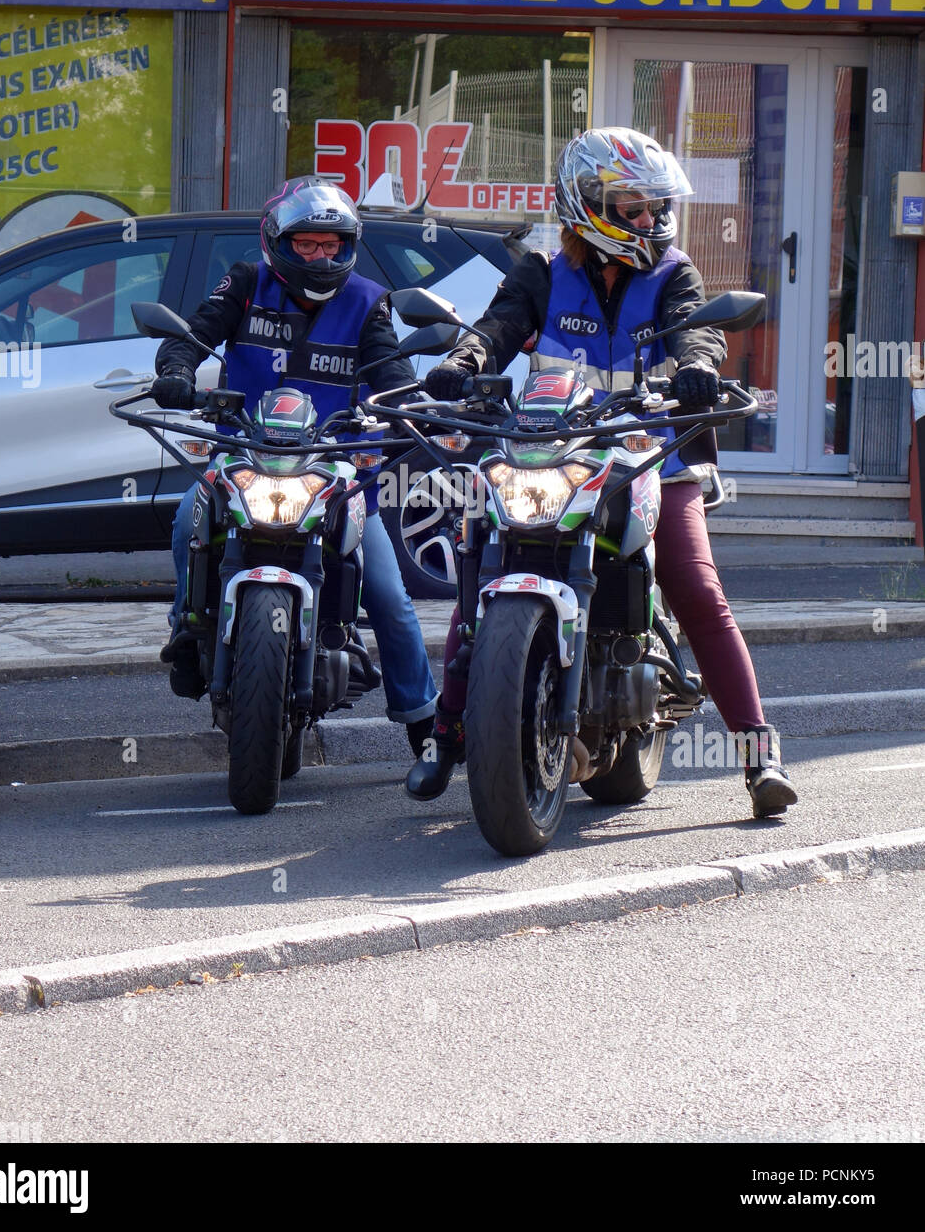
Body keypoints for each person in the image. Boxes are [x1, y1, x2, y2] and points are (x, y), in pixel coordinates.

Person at [406, 127, 797, 820]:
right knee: (480, 584)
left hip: (649, 456)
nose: (651, 220)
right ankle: (446, 735)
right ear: (586, 204)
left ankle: (758, 754)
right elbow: (497, 328)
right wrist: (463, 365)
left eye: (655, 207)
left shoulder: (674, 273)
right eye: (634, 207)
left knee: (700, 591)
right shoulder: (540, 273)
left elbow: (694, 329)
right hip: (549, 454)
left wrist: (697, 367)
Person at [151, 175, 438, 760]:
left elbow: (391, 373)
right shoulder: (246, 283)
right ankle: (189, 628)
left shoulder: (368, 300)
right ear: (278, 243)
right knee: (187, 524)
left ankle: (424, 724)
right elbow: (193, 336)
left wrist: (407, 407)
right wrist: (177, 373)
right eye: (308, 244)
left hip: (336, 471)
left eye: (332, 244)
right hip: (243, 459)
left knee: (388, 595)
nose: (322, 255)